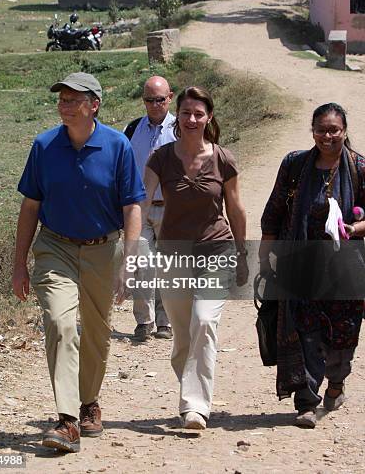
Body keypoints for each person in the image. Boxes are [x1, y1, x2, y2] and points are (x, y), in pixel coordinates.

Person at [12, 72, 145, 453]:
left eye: (73, 100)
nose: (64, 106)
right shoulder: (44, 146)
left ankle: (89, 403)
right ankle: (68, 420)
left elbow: (132, 204)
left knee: (98, 333)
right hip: (56, 247)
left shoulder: (117, 146)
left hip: (104, 248)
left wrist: (129, 261)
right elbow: (30, 206)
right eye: (62, 99)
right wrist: (20, 263)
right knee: (60, 321)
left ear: (94, 105)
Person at [141, 86, 248, 430]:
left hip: (216, 250)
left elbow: (236, 208)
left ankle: (195, 406)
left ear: (209, 117)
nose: (191, 119)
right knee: (183, 337)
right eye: (186, 113)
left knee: (204, 321)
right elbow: (141, 202)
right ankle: (191, 388)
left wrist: (243, 254)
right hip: (173, 254)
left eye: (198, 114)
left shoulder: (223, 159)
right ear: (179, 115)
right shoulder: (160, 158)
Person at [260, 103, 365, 429]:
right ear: (313, 131)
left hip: (345, 271)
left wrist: (355, 229)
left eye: (333, 129)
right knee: (304, 331)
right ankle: (306, 400)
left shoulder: (360, 168)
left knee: (341, 340)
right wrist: (265, 259)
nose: (327, 136)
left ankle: (336, 383)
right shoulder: (295, 165)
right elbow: (275, 212)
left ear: (344, 131)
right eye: (321, 129)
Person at [124, 76, 175, 341]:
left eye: (160, 99)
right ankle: (144, 321)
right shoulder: (131, 129)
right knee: (142, 263)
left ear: (170, 97)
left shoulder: (182, 127)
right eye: (149, 99)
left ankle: (165, 322)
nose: (154, 104)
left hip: (171, 209)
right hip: (139, 208)